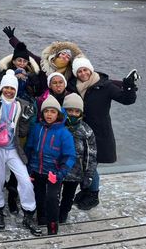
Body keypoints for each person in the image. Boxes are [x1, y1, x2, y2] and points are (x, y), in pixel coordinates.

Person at [67, 58, 138, 210]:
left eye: (85, 69)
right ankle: (86, 191)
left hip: (99, 133)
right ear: (75, 73)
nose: (83, 73)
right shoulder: (73, 86)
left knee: (91, 166)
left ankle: (93, 195)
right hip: (79, 133)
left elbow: (126, 100)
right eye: (79, 71)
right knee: (81, 163)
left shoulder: (105, 86)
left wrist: (129, 88)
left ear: (91, 69)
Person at [0, 70, 41, 236]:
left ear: (16, 90)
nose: (9, 91)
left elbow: (22, 132)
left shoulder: (20, 105)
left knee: (25, 180)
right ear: (1, 88)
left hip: (13, 148)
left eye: (12, 88)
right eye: (6, 88)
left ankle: (29, 212)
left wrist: (26, 120)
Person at [24, 96, 76, 235]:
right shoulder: (36, 128)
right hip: (37, 171)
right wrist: (29, 170)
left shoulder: (64, 133)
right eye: (46, 111)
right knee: (39, 196)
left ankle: (52, 227)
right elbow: (29, 149)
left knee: (52, 199)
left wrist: (61, 173)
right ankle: (41, 219)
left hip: (54, 173)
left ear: (58, 114)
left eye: (53, 111)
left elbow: (70, 156)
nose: (49, 115)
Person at [2, 26, 84, 96]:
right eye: (63, 54)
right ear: (57, 55)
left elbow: (83, 68)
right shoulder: (43, 63)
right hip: (40, 97)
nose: (65, 56)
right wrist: (12, 38)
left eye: (68, 56)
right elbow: (26, 52)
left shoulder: (69, 73)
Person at [60, 93, 97, 223]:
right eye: (70, 110)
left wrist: (88, 175)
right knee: (53, 196)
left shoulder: (86, 131)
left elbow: (90, 156)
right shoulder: (58, 126)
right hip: (57, 170)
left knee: (68, 198)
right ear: (64, 110)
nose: (73, 114)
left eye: (76, 111)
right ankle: (52, 214)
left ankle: (63, 214)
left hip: (75, 173)